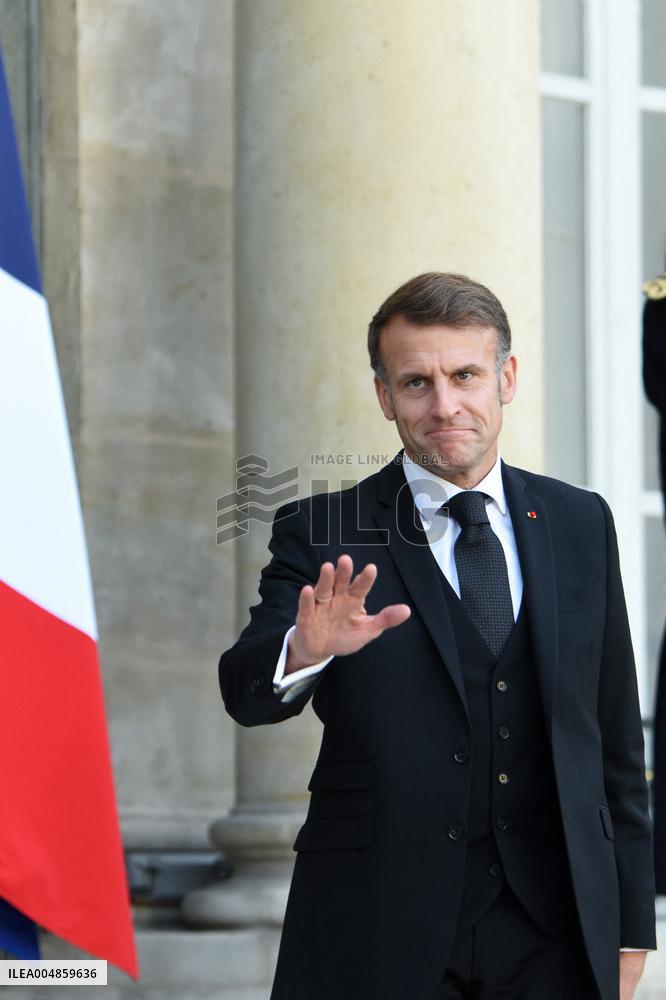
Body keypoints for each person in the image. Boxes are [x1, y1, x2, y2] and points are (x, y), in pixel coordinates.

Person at [219, 272, 656, 1000]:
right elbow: (246, 693)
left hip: (557, 929)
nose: (444, 405)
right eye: (416, 382)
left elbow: (614, 736)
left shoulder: (580, 522)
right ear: (385, 396)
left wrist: (634, 921)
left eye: (465, 375)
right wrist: (306, 650)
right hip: (378, 923)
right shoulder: (325, 529)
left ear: (506, 377)